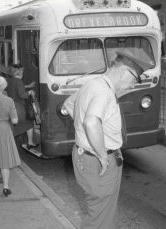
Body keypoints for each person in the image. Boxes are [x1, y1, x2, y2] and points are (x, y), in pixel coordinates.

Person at [63, 50, 151, 229]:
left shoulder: (93, 84)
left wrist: (85, 132)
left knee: (101, 211)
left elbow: (68, 105)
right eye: (133, 80)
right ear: (123, 71)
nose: (132, 86)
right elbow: (91, 122)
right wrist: (102, 155)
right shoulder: (103, 92)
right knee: (100, 217)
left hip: (86, 155)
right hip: (98, 160)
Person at [6, 64, 38, 148]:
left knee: (13, 125)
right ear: (19, 73)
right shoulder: (19, 81)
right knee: (29, 123)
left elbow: (14, 87)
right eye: (22, 71)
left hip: (9, 107)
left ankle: (11, 143)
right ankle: (30, 142)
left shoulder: (8, 80)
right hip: (18, 108)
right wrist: (30, 92)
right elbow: (22, 95)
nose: (23, 73)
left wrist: (27, 86)